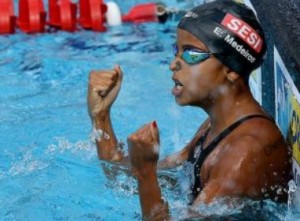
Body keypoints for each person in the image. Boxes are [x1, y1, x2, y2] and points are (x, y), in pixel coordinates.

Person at [87, 0, 291, 219]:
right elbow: (120, 177)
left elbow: (147, 180)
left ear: (231, 68)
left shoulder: (246, 153)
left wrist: (146, 174)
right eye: (177, 50)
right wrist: (101, 117)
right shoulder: (217, 127)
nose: (173, 64)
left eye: (191, 54)